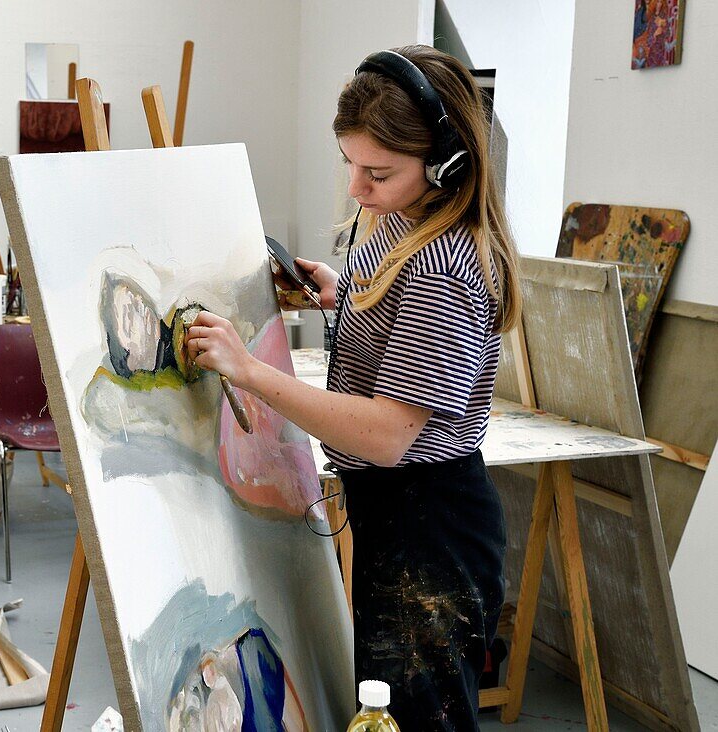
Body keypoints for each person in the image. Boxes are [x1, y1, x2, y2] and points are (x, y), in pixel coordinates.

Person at [185, 45, 521, 731]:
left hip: (429, 526)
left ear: (447, 161)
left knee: (416, 720)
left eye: (377, 172)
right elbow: (399, 310)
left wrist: (250, 371)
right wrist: (343, 295)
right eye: (349, 163)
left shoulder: (444, 264)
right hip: (395, 515)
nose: (355, 188)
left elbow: (385, 434)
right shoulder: (404, 219)